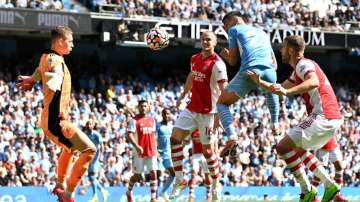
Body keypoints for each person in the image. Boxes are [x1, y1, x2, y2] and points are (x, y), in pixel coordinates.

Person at [247, 35, 343, 202]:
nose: (281, 50)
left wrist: (288, 92)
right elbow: (281, 88)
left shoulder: (304, 64)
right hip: (330, 117)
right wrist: (260, 82)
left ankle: (309, 190)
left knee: (282, 147)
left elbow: (313, 82)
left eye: (283, 48)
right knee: (295, 148)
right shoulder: (299, 69)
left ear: (291, 50)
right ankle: (326, 185)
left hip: (323, 116)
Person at [17, 26, 96, 202]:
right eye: (70, 41)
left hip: (52, 119)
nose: (73, 45)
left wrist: (32, 79)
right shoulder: (55, 60)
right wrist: (56, 79)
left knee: (70, 149)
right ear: (60, 41)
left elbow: (40, 69)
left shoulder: (46, 55)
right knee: (90, 149)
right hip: (55, 121)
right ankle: (68, 194)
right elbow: (55, 71)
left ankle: (60, 186)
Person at [169, 31, 228, 202]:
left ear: (215, 42)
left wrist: (219, 115)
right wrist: (182, 95)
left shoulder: (218, 64)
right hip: (192, 107)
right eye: (203, 39)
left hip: (209, 112)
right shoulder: (194, 58)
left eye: (209, 39)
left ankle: (216, 182)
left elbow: (225, 91)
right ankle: (180, 179)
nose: (205, 41)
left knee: (208, 152)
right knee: (174, 139)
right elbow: (191, 77)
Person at [217, 11, 280, 157]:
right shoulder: (262, 32)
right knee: (271, 90)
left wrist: (225, 55)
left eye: (225, 25)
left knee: (221, 103)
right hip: (270, 70)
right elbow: (274, 63)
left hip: (250, 70)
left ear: (233, 20)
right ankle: (275, 124)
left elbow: (233, 61)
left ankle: (232, 137)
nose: (226, 30)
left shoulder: (234, 30)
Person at [126, 100, 158, 202]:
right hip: (139, 152)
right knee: (137, 176)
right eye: (141, 106)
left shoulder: (152, 120)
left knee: (153, 172)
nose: (143, 108)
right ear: (138, 107)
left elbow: (153, 135)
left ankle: (153, 198)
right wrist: (137, 146)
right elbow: (129, 135)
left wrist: (155, 148)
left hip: (151, 151)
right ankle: (129, 191)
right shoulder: (134, 120)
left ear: (148, 107)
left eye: (145, 106)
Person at [313, 137, 348, 202]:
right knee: (320, 169)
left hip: (331, 138)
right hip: (321, 139)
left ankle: (337, 195)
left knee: (339, 166)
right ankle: (313, 196)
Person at [85, 120, 109, 202]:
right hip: (89, 157)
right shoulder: (85, 135)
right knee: (91, 177)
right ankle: (103, 191)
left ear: (93, 126)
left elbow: (102, 145)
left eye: (90, 124)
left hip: (96, 157)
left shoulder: (96, 134)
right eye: (87, 124)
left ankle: (95, 195)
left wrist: (101, 156)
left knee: (92, 175)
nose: (88, 126)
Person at [156, 108, 176, 202]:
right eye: (165, 114)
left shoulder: (172, 126)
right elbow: (153, 139)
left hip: (169, 154)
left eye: (168, 114)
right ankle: (155, 196)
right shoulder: (158, 126)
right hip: (159, 153)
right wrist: (155, 152)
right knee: (158, 173)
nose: (166, 116)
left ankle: (163, 192)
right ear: (162, 115)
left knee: (173, 173)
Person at [188, 129, 212, 202]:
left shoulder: (205, 129)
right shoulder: (192, 130)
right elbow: (191, 143)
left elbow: (210, 141)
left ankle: (208, 195)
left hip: (204, 155)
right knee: (193, 174)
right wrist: (191, 156)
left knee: (207, 175)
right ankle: (191, 196)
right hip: (195, 155)